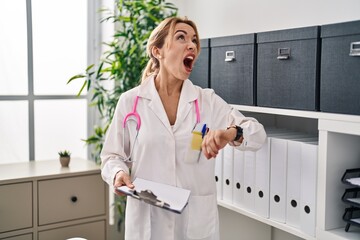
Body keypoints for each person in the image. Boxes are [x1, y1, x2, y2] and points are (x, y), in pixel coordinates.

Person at [100, 16, 266, 240]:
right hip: (149, 224)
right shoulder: (131, 102)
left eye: (194, 40)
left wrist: (230, 133)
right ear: (157, 51)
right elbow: (111, 156)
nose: (192, 45)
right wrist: (118, 173)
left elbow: (257, 134)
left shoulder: (206, 100)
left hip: (195, 224)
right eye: (181, 37)